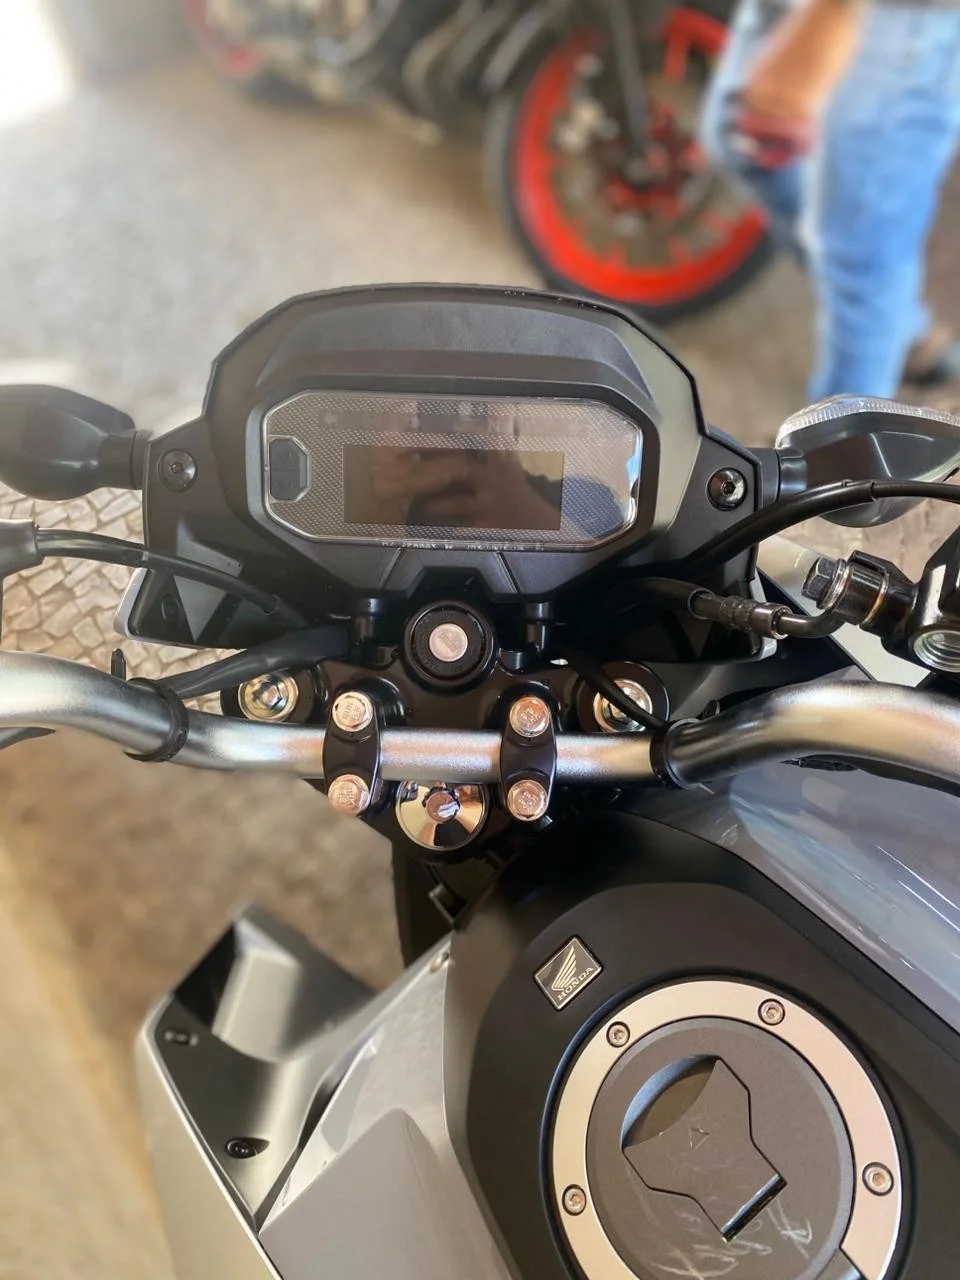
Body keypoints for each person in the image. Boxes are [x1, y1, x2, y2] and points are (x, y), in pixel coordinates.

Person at [701, 0, 960, 402]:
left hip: (890, 16)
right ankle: (899, 329)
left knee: (861, 251)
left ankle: (845, 440)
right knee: (741, 147)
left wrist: (833, 13)